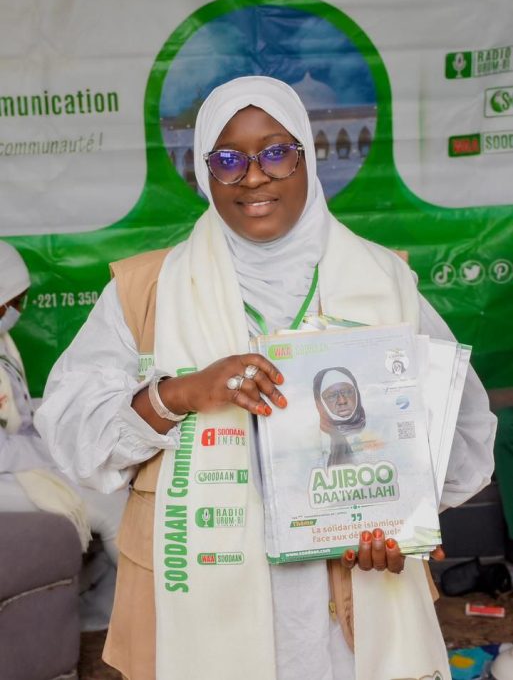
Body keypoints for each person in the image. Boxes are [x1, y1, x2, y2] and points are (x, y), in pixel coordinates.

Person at [35, 76, 496, 680]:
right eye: (228, 160)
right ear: (205, 173)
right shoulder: (148, 291)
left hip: (349, 610)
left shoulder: (383, 282)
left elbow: (455, 430)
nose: (253, 177)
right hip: (197, 604)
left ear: (308, 156)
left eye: (276, 152)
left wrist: (400, 520)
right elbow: (73, 432)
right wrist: (180, 393)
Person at [0, 240, 128, 622]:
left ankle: (99, 615)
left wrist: (58, 425)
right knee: (108, 505)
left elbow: (19, 413)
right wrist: (56, 451)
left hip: (14, 461)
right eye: (13, 302)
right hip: (6, 469)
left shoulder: (4, 344)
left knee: (109, 484)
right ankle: (137, 611)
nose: (18, 311)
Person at [313, 367, 366, 465]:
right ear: (320, 403)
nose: (342, 401)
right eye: (332, 396)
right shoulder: (313, 439)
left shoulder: (381, 426)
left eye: (348, 392)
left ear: (357, 394)